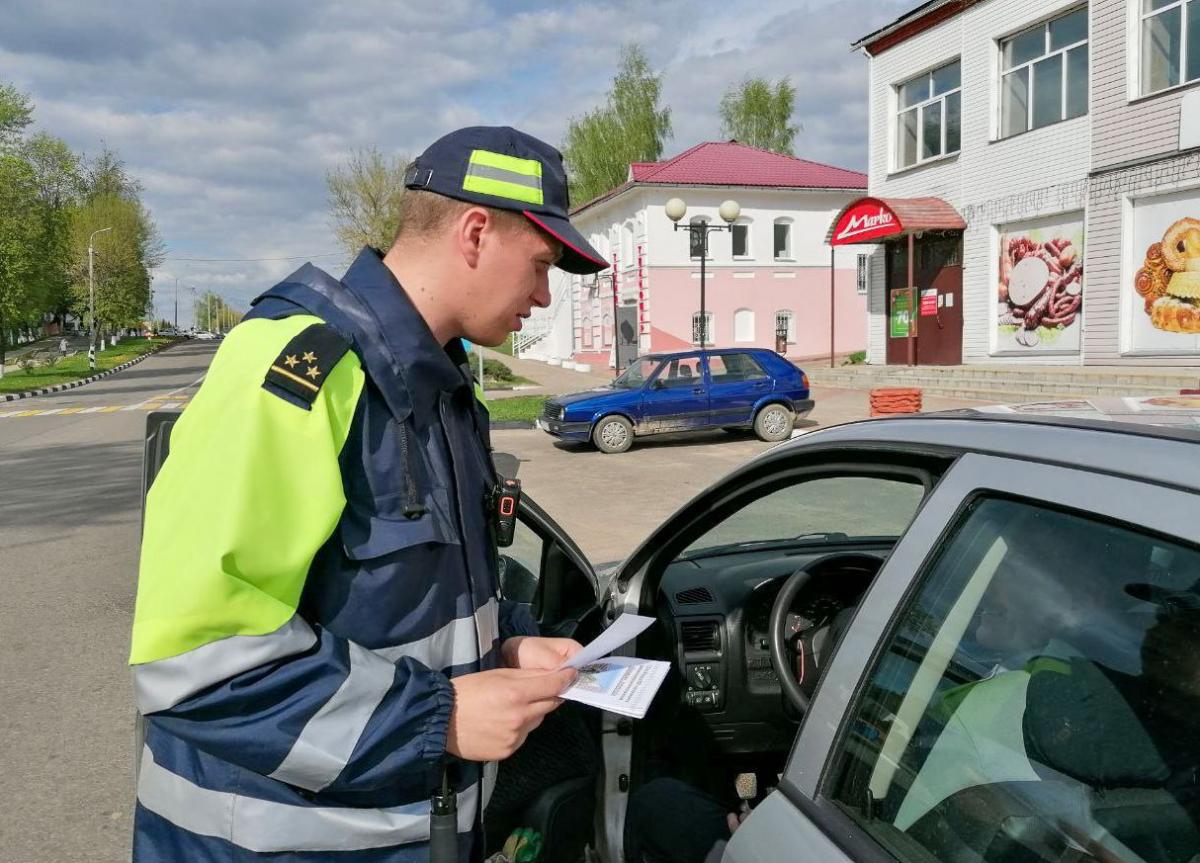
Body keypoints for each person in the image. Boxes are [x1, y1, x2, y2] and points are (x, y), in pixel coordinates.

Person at [128, 126, 610, 861]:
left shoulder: (441, 392)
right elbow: (199, 660)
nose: (544, 297)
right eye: (541, 265)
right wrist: (439, 719)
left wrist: (506, 645)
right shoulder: (297, 369)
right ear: (475, 232)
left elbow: (415, 606)